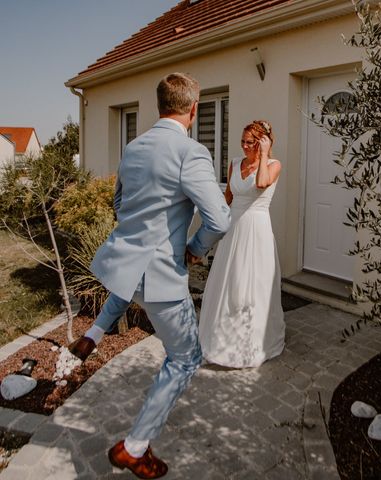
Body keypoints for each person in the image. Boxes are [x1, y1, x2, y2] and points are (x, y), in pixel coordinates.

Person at [69, 72, 231, 479]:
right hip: (161, 276)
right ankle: (134, 448)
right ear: (193, 110)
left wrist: (144, 232)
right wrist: (193, 249)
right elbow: (219, 219)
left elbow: (120, 202)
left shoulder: (133, 147)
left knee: (130, 283)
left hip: (129, 265)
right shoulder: (191, 152)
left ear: (159, 106)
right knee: (186, 357)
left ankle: (94, 333)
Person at [198, 120, 285, 368]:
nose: (246, 146)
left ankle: (254, 341)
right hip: (234, 229)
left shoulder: (274, 165)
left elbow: (261, 184)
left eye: (251, 142)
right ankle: (221, 339)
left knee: (252, 284)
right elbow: (228, 198)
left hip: (256, 231)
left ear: (263, 142)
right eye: (243, 141)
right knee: (228, 280)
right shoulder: (235, 164)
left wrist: (265, 153)